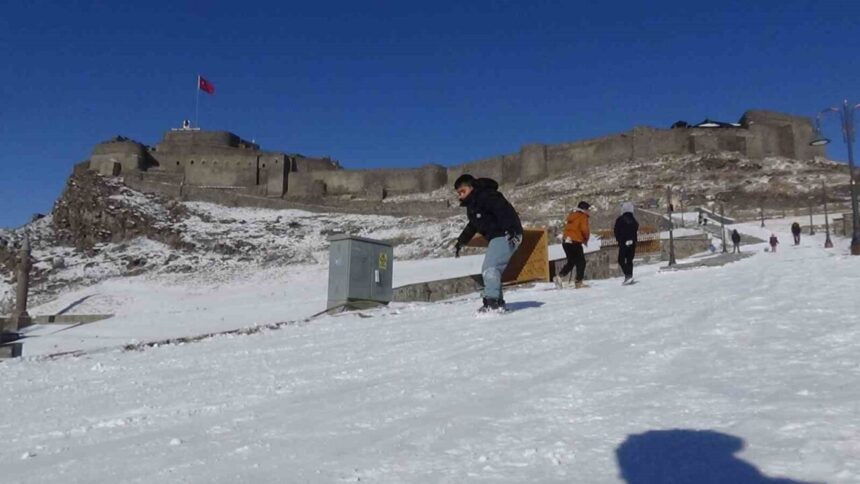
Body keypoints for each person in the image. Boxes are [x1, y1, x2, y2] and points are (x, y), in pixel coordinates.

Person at [453, 174, 523, 312]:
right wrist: (461, 242)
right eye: (458, 193)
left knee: (490, 268)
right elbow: (472, 226)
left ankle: (492, 303)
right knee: (492, 268)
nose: (460, 196)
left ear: (472, 187)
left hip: (506, 234)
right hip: (498, 236)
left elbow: (503, 210)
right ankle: (498, 301)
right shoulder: (473, 206)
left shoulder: (487, 195)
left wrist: (511, 231)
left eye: (463, 191)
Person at [555, 201, 592, 289]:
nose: (588, 211)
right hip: (574, 241)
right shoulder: (583, 216)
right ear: (584, 209)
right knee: (581, 262)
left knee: (571, 261)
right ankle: (578, 282)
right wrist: (586, 238)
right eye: (588, 209)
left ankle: (559, 276)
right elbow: (584, 229)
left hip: (566, 241)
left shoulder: (572, 216)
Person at [613, 202, 639, 285]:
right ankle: (630, 276)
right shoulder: (634, 220)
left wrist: (619, 240)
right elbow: (636, 228)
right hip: (633, 242)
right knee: (629, 260)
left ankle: (627, 276)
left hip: (624, 242)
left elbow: (616, 230)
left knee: (621, 260)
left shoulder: (620, 219)